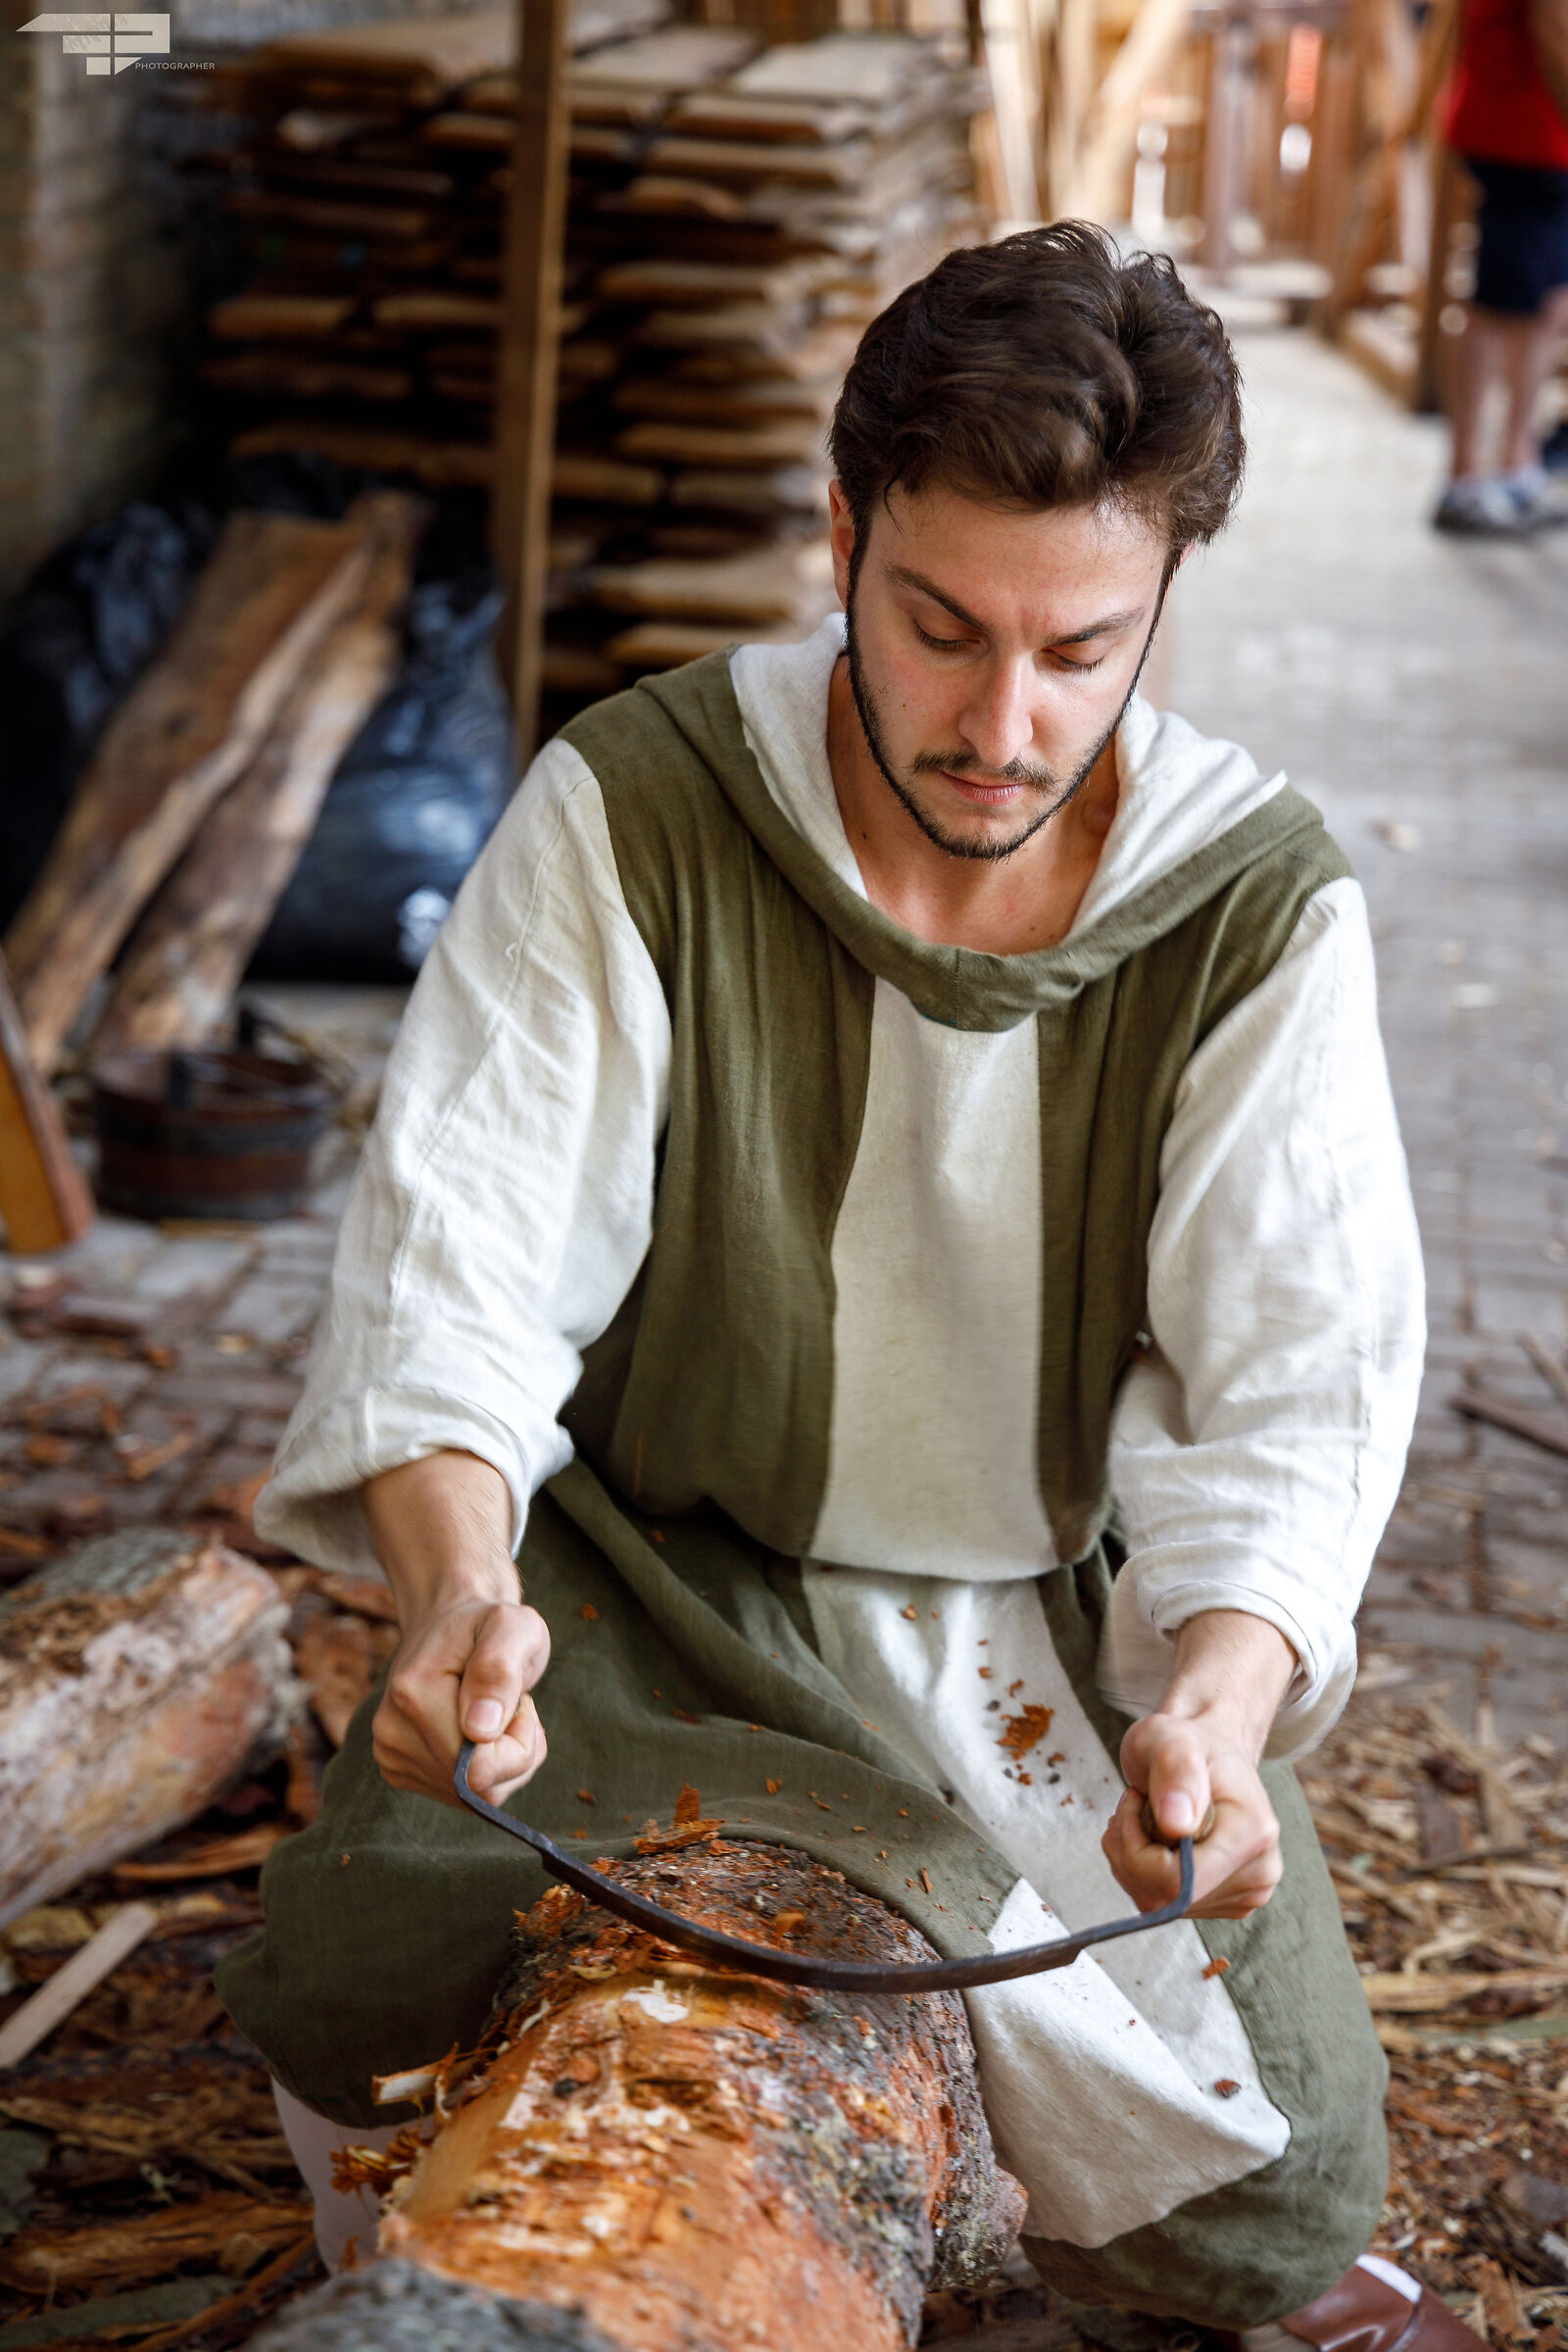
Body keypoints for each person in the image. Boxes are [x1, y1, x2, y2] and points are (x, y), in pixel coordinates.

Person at [219, 224, 1456, 2350]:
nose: (1002, 725)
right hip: (648, 1583)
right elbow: (459, 1270)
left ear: (1164, 597)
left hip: (1044, 1616)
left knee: (1275, 2180)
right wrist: (451, 1598)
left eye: (1081, 649)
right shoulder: (641, 809)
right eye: (938, 628)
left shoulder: (1247, 906)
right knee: (363, 1970)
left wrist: (1221, 1705)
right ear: (841, 536)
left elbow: (1292, 1381)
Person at [1435, 0, 1568, 532]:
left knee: (1547, 302)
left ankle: (1517, 467)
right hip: (1520, 132)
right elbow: (1554, 23)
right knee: (1498, 304)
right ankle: (1464, 479)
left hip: (1539, 131)